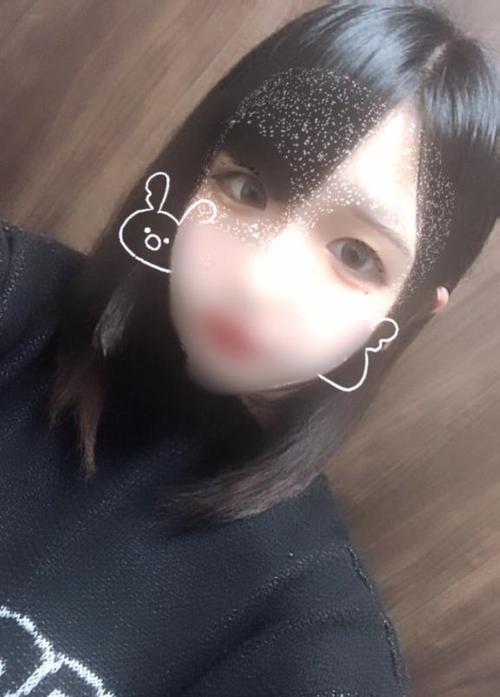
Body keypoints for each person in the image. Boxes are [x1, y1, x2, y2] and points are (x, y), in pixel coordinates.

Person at [1, 1, 498, 695]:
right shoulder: (15, 301)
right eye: (246, 187)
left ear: (406, 313)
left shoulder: (307, 641)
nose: (258, 282)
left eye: (355, 255)